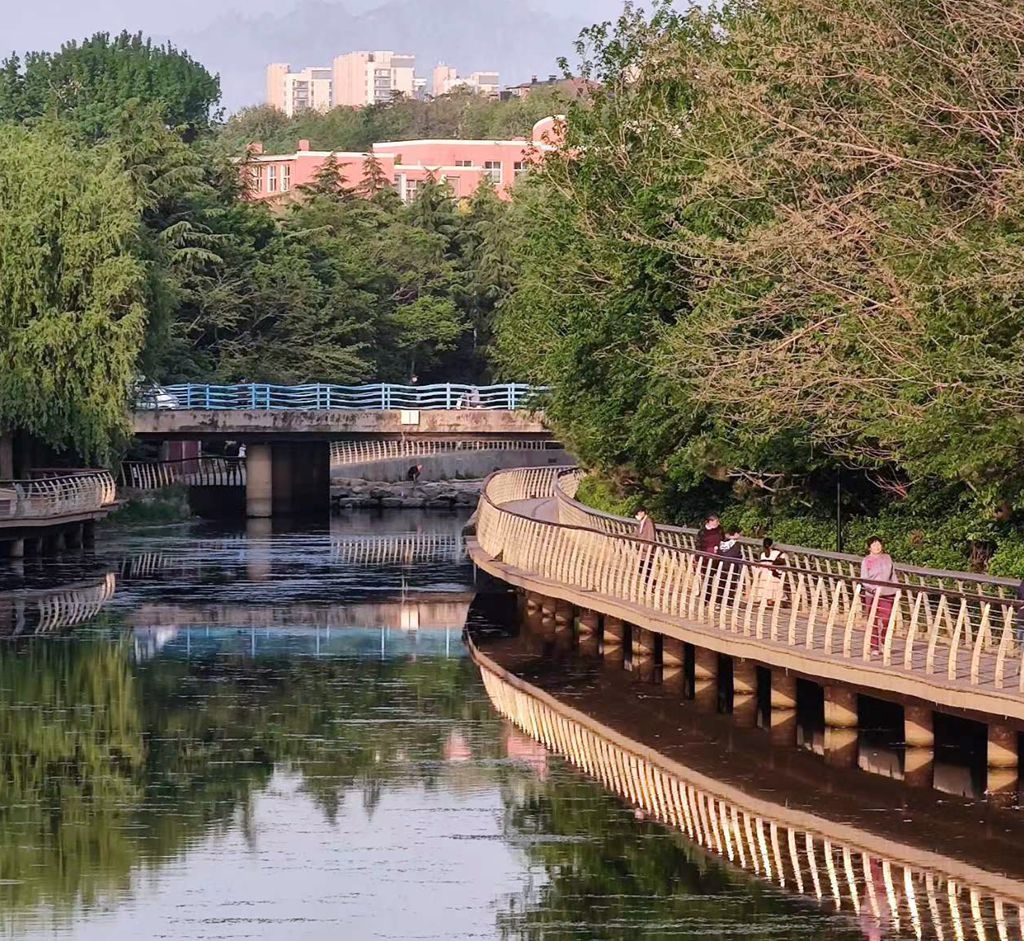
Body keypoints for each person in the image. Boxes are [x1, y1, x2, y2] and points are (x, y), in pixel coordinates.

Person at [860, 536, 898, 652]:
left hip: (887, 592)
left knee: (887, 618)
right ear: (869, 548)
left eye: (878, 544)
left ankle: (885, 641)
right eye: (874, 545)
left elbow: (893, 575)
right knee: (874, 620)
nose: (877, 547)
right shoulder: (866, 560)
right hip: (872, 594)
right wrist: (873, 589)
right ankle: (874, 645)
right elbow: (864, 578)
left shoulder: (887, 558)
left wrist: (897, 588)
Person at [754, 537, 786, 607]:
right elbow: (783, 561)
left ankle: (766, 601)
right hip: (772, 574)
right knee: (774, 588)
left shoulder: (762, 554)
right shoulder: (778, 553)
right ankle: (771, 601)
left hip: (764, 574)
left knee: (765, 587)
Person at [716, 528, 744, 603]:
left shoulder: (722, 543)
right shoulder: (736, 544)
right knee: (731, 584)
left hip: (722, 565)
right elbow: (737, 555)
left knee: (721, 583)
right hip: (732, 566)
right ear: (735, 534)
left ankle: (718, 600)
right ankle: (729, 601)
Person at [635, 508, 656, 585]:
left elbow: (651, 536)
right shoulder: (641, 522)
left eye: (638, 513)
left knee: (646, 568)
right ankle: (648, 584)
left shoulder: (648, 522)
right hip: (642, 550)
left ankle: (650, 584)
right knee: (642, 568)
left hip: (646, 550)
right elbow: (636, 534)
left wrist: (648, 548)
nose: (637, 516)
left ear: (643, 512)